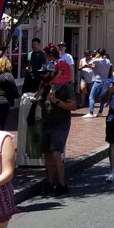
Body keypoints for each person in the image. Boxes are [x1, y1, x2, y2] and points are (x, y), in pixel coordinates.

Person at [39, 66, 78, 196]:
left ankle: (62, 185)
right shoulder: (44, 85)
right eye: (41, 73)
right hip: (46, 122)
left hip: (61, 123)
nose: (42, 75)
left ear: (53, 73)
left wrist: (55, 100)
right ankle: (50, 183)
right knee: (47, 154)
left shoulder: (64, 86)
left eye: (45, 73)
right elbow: (39, 99)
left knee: (56, 153)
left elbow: (73, 106)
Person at [0, 57, 20, 130]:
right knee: (0, 123)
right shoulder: (8, 76)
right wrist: (19, 98)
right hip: (3, 102)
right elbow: (14, 89)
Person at [85, 50, 113, 118]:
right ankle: (100, 112)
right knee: (101, 98)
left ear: (99, 53)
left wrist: (95, 58)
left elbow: (89, 63)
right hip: (105, 81)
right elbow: (100, 67)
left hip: (98, 81)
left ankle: (91, 112)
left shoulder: (97, 61)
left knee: (91, 97)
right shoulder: (107, 61)